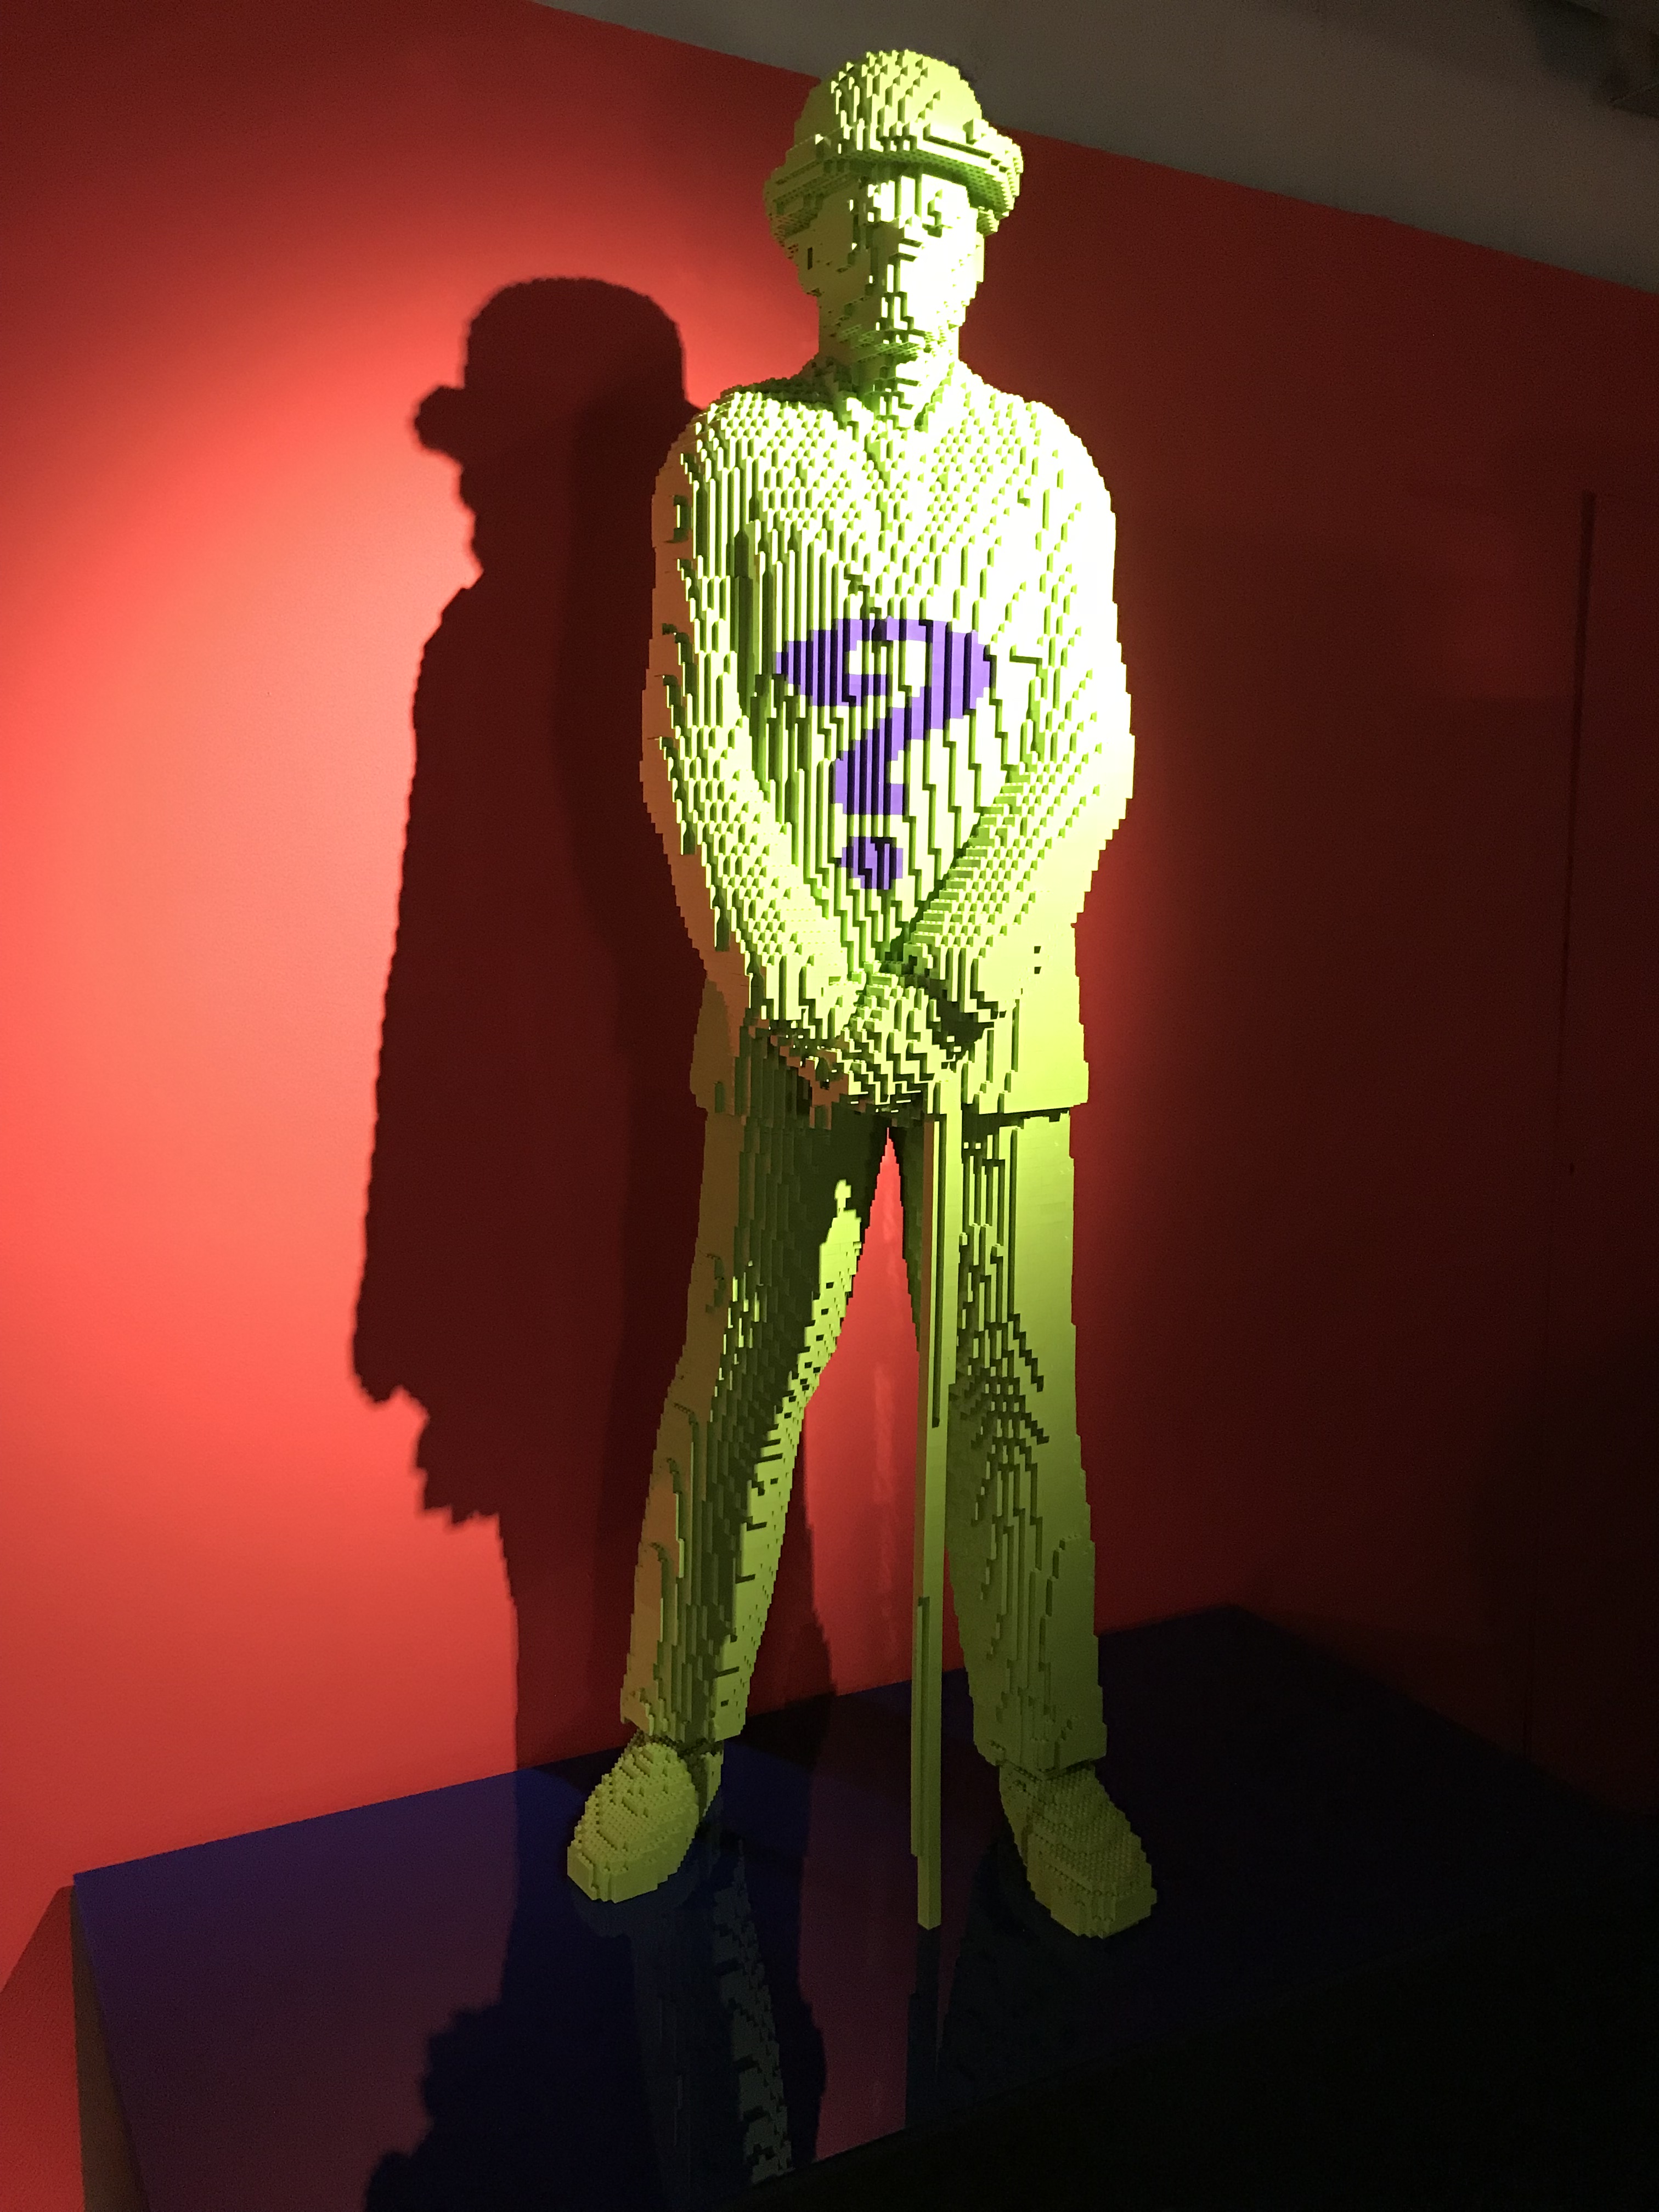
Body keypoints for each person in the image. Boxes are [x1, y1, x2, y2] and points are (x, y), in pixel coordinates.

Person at [568, 48, 1151, 1939]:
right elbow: (696, 747)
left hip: (1002, 1021)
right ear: (805, 243)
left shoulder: (1046, 468)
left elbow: (1087, 740)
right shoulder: (734, 462)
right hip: (789, 1027)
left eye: (933, 220)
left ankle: (1046, 1759)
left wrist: (965, 953)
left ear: (981, 246)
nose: (899, 250)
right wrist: (811, 985)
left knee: (1012, 1384)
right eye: (863, 219)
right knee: (743, 1369)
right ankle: (677, 1734)